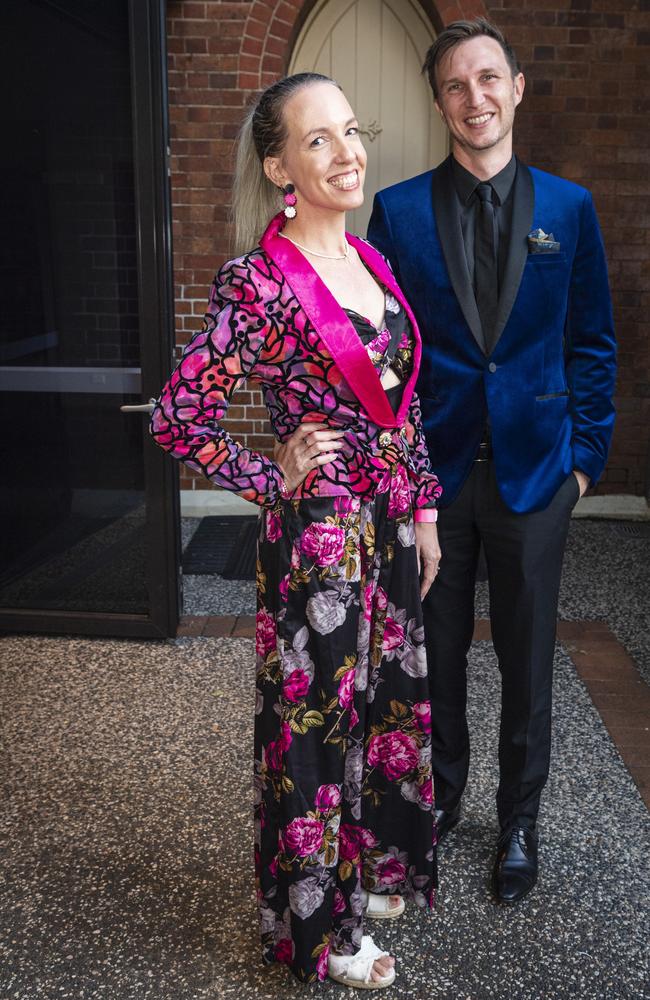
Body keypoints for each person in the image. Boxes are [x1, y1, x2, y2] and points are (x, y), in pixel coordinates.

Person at [150, 73, 443, 988]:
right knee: (317, 726)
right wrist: (266, 477)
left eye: (351, 131)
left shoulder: (371, 262)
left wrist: (426, 508)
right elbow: (176, 418)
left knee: (383, 705)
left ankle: (366, 871)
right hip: (320, 540)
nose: (346, 152)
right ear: (279, 164)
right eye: (318, 140)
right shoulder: (260, 281)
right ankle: (320, 927)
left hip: (391, 528)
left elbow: (404, 402)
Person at [368, 18, 616, 905]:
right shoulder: (395, 212)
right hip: (433, 481)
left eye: (487, 80)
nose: (474, 99)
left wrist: (583, 463)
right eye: (454, 87)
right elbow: (385, 355)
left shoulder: (569, 208)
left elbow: (591, 342)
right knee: (432, 654)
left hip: (535, 474)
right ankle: (442, 800)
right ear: (440, 103)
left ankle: (520, 820)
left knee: (527, 655)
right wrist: (395, 473)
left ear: (515, 87)